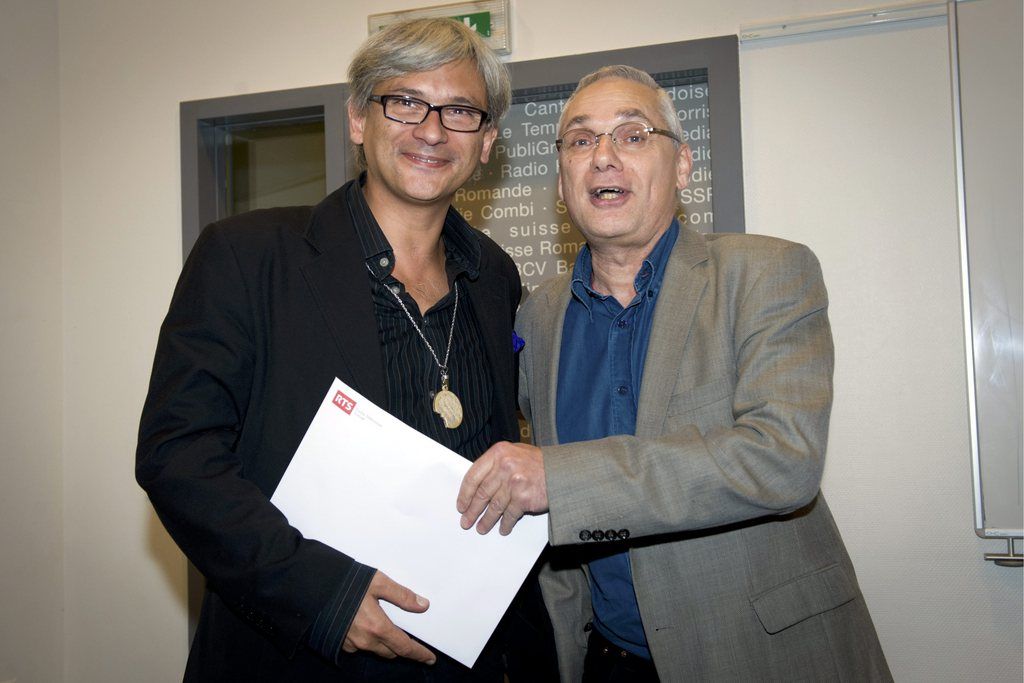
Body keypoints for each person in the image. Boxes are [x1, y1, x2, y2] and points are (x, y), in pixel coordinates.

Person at [137, 17, 553, 681]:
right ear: (359, 118)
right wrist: (323, 595)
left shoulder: (496, 277)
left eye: (460, 110)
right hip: (296, 649)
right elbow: (177, 456)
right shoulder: (248, 257)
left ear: (487, 142)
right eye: (406, 101)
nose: (432, 129)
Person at [456, 65, 892, 682]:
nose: (603, 157)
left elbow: (782, 459)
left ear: (683, 166)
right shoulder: (538, 317)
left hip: (762, 655)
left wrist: (561, 479)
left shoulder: (767, 273)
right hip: (605, 658)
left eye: (632, 136)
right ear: (561, 181)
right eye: (581, 141)